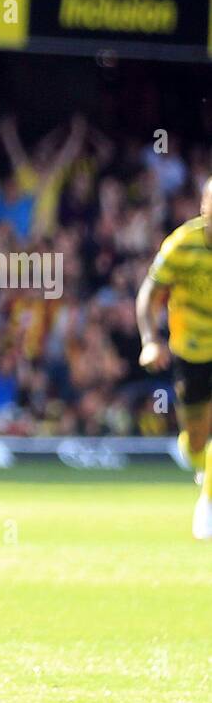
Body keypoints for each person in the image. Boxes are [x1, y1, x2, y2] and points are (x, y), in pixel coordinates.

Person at [137, 175, 212, 538]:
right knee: (196, 440)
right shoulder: (182, 244)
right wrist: (150, 340)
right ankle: (199, 461)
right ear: (204, 209)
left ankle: (208, 504)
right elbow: (148, 294)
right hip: (191, 352)